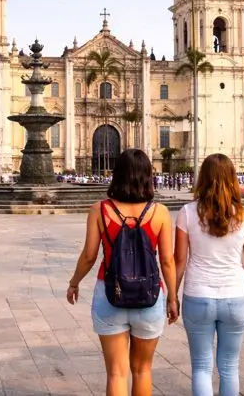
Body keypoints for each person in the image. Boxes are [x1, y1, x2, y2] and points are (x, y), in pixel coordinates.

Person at [66, 148, 177, 396]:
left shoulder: (100, 210)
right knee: (143, 370)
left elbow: (89, 256)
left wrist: (74, 283)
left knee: (116, 373)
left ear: (117, 175)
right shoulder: (159, 212)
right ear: (148, 176)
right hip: (149, 296)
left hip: (109, 293)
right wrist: (172, 296)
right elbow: (168, 261)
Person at [175, 154, 244, 396]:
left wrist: (172, 295)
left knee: (201, 366)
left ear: (203, 178)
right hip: (237, 296)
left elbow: (179, 260)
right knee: (229, 367)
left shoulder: (188, 212)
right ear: (233, 179)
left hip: (197, 295)